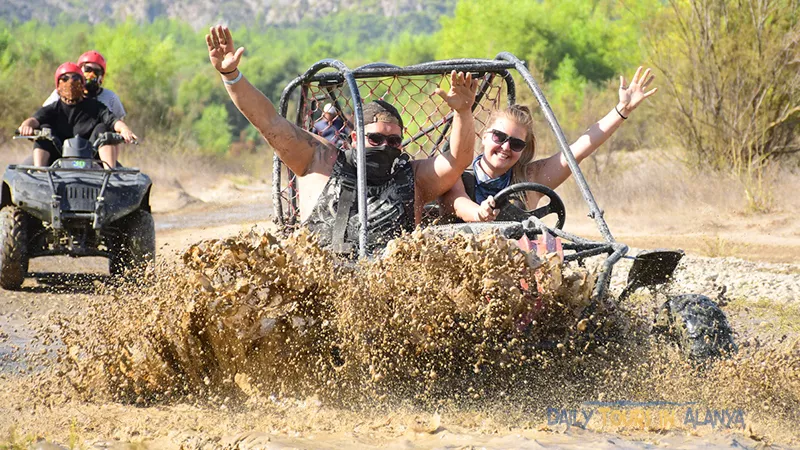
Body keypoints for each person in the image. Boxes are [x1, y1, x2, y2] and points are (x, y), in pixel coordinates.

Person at [206, 25, 478, 254]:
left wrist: (463, 111)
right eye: (375, 139)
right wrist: (232, 76)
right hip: (326, 284)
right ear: (356, 137)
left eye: (393, 142)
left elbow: (457, 159)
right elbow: (269, 122)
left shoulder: (414, 176)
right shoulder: (319, 159)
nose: (385, 147)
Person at [442, 66, 658, 222]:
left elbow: (578, 150)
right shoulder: (457, 174)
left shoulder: (529, 177)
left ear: (524, 150)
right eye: (499, 137)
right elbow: (458, 202)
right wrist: (480, 213)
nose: (506, 147)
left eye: (516, 144)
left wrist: (621, 111)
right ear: (485, 136)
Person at [17, 62, 137, 167]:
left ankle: (110, 175)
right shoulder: (52, 108)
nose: (70, 83)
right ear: (57, 86)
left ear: (82, 83)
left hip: (92, 158)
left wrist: (125, 129)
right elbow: (34, 119)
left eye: (75, 78)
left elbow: (114, 121)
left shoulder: (96, 107)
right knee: (44, 130)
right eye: (64, 79)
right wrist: (26, 125)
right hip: (56, 159)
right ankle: (40, 174)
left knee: (103, 129)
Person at [42, 51, 128, 167]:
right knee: (30, 172)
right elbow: (43, 116)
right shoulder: (61, 94)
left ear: (102, 76)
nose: (91, 75)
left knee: (120, 180)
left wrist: (111, 164)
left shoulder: (110, 98)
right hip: (60, 150)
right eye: (87, 69)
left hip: (95, 154)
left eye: (96, 71)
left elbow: (116, 130)